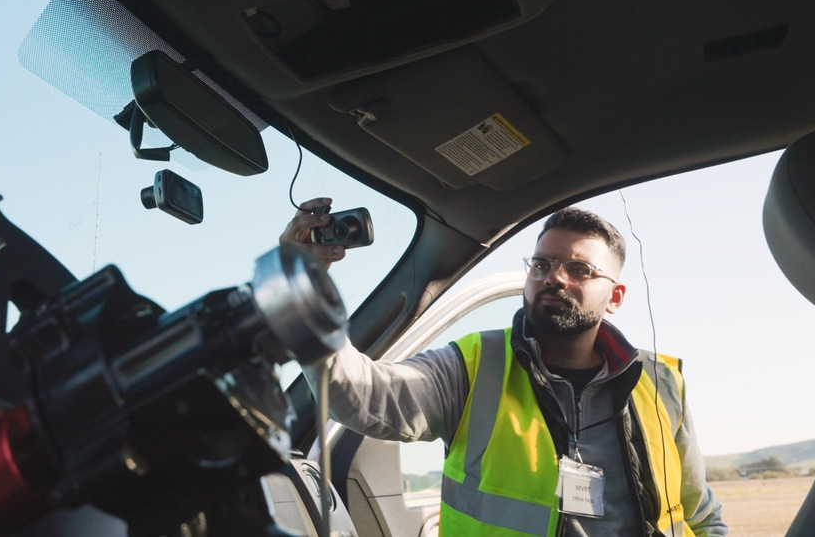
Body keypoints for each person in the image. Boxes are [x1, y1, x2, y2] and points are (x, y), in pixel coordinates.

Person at [281, 198, 727, 537]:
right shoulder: (473, 365)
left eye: (579, 269)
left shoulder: (661, 381)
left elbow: (700, 513)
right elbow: (357, 395)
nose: (555, 277)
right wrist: (297, 285)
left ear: (615, 297)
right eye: (542, 264)